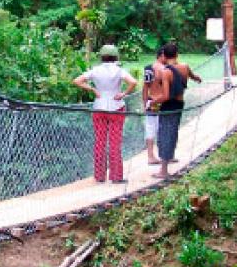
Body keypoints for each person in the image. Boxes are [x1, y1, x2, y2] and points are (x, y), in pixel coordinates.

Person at [73, 44, 138, 183]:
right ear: (116, 56)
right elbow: (133, 82)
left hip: (99, 107)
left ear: (101, 56)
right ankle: (116, 177)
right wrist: (123, 93)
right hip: (116, 107)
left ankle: (99, 176)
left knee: (100, 141)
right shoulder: (119, 70)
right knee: (115, 142)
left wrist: (92, 90)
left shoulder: (95, 70)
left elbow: (77, 81)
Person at [151, 43, 199, 178]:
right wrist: (197, 79)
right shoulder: (185, 67)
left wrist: (154, 101)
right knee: (172, 133)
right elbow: (193, 76)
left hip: (169, 106)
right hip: (179, 104)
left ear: (164, 56)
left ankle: (164, 171)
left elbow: (166, 96)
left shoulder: (166, 72)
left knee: (165, 135)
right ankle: (169, 158)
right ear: (177, 55)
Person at [142, 48, 164, 165]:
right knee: (153, 128)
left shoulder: (149, 69)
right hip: (157, 102)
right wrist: (145, 103)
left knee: (157, 128)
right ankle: (151, 156)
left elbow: (145, 87)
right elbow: (145, 87)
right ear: (161, 56)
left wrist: (145, 103)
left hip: (155, 102)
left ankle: (160, 155)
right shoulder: (154, 69)